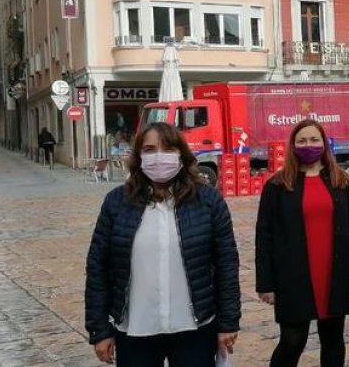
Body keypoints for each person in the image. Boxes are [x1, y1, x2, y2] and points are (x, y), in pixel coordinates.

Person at [84, 122, 240, 366]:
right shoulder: (116, 203)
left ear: (181, 154)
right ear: (138, 156)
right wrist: (99, 329)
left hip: (195, 327)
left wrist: (228, 322)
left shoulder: (208, 201)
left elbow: (226, 264)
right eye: (149, 149)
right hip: (135, 328)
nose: (159, 157)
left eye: (167, 149)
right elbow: (98, 267)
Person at [256, 119, 349, 367]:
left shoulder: (342, 181)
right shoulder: (277, 186)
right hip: (293, 276)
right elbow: (264, 237)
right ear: (293, 146)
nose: (309, 145)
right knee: (292, 340)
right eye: (302, 140)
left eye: (314, 139)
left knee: (333, 340)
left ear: (324, 144)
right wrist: (265, 283)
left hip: (335, 273)